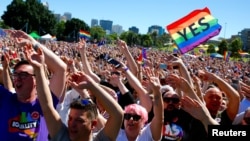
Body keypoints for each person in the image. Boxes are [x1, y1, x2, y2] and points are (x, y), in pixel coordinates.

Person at [25, 44, 124, 141]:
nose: (72, 124)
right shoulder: (62, 136)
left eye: (79, 120)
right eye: (70, 118)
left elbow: (118, 115)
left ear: (93, 125)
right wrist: (38, 69)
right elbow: (46, 107)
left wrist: (92, 85)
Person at [0, 29, 67, 141]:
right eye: (15, 74)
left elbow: (61, 69)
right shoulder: (5, 98)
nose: (18, 78)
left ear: (37, 80)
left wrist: (32, 42)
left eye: (24, 75)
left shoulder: (45, 104)